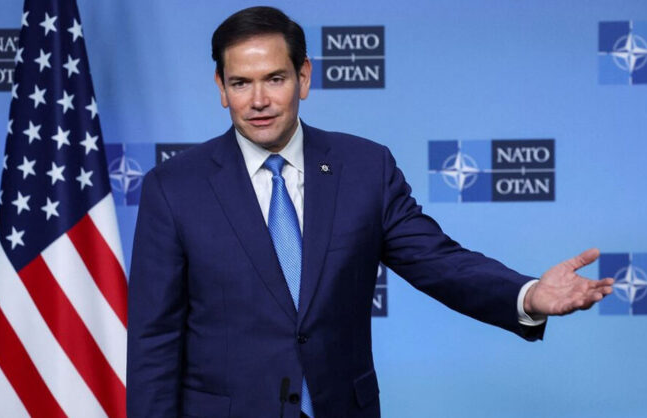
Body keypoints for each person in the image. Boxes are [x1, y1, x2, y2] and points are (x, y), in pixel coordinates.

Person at [126, 6, 614, 418]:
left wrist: (528, 294)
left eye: (274, 79)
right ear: (220, 87)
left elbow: (438, 261)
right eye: (240, 83)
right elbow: (154, 339)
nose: (258, 101)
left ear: (303, 77)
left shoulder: (364, 168)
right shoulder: (174, 188)